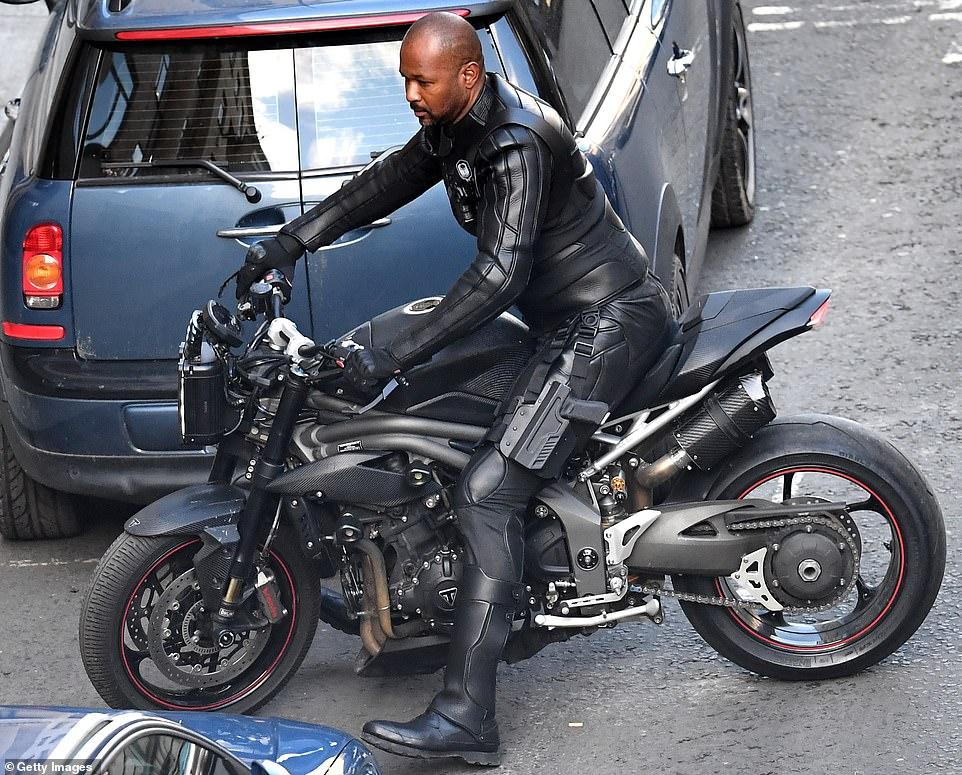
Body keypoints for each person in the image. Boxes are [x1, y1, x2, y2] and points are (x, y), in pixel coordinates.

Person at [235, 11, 674, 766]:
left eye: (422, 80)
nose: (411, 92)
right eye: (405, 79)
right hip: (557, 320)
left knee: (488, 491)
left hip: (604, 323)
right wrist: (288, 242)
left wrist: (393, 356)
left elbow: (499, 274)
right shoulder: (453, 123)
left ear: (467, 76)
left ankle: (469, 714)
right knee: (438, 417)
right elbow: (386, 182)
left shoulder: (513, 141)